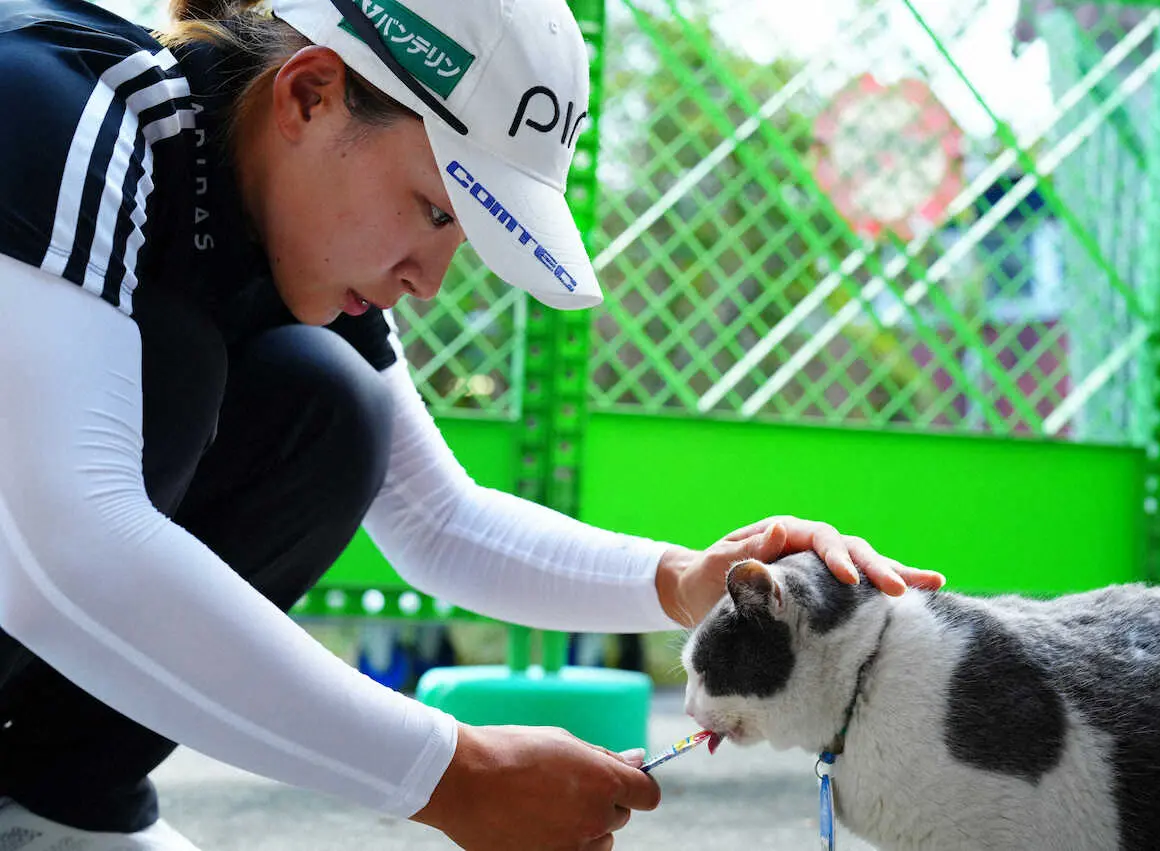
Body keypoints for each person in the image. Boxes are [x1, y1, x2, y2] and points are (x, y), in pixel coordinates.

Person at [0, 0, 946, 848]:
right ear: (309, 95)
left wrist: (682, 581)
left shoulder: (286, 223)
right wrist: (453, 774)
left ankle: (49, 808)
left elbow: (440, 521)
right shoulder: (57, 109)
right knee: (170, 363)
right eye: (431, 211)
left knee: (331, 402)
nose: (429, 278)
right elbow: (72, 542)